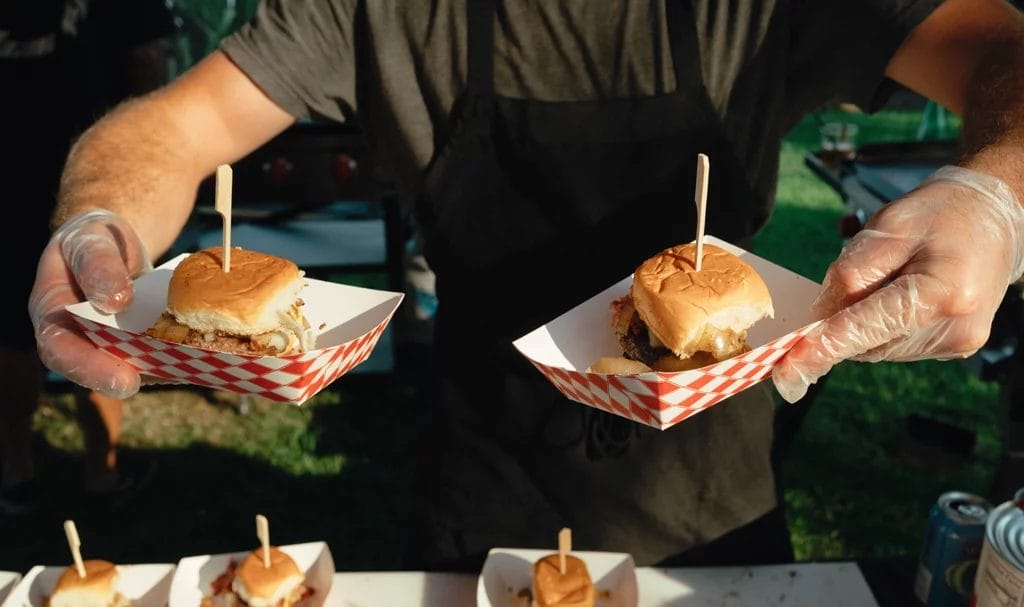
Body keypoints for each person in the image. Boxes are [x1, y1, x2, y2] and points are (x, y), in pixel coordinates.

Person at [25, 0, 1024, 569]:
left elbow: (1001, 49)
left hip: (712, 496)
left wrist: (996, 194)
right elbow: (166, 129)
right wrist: (97, 217)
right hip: (486, 486)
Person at [0, 0, 176, 513]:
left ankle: (18, 473)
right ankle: (99, 471)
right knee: (101, 313)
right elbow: (146, 63)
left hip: (82, 171)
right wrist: (154, 158)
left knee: (29, 322)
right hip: (90, 166)